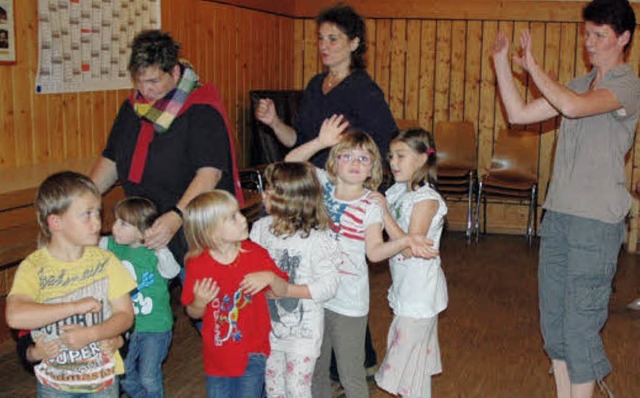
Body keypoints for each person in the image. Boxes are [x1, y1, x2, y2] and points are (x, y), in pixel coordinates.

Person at [491, 0, 640, 397]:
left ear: (624, 38)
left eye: (599, 35)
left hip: (597, 223)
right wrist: (504, 62)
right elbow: (518, 113)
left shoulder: (627, 85)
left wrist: (534, 67)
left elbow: (573, 109)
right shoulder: (575, 84)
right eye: (586, 33)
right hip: (558, 216)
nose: (589, 43)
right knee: (554, 324)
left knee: (580, 325)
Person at [286, 118, 436, 398]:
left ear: (372, 169)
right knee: (315, 367)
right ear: (334, 162)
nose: (355, 163)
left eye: (364, 159)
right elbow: (290, 163)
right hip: (315, 293)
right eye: (347, 156)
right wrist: (320, 142)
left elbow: (375, 252)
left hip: (348, 301)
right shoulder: (323, 185)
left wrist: (404, 241)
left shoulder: (372, 204)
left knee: (350, 373)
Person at [90, 29, 243, 270]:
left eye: (153, 81)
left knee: (200, 297)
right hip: (147, 223)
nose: (145, 90)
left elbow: (209, 174)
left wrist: (176, 216)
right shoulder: (133, 107)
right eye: (139, 81)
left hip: (191, 226)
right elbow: (111, 158)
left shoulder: (202, 108)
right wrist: (84, 197)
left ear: (174, 72)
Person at [5, 171, 136, 396]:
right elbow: (15, 316)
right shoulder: (34, 267)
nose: (97, 221)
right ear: (56, 222)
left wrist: (93, 334)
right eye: (86, 214)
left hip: (102, 380)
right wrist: (74, 307)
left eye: (97, 212)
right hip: (54, 385)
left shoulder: (107, 262)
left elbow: (125, 316)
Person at [180, 190, 290, 398]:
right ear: (211, 231)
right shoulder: (197, 265)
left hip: (253, 351)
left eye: (239, 213)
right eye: (232, 217)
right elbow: (193, 313)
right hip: (216, 358)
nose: (242, 220)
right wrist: (200, 302)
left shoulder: (255, 254)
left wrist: (270, 277)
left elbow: (283, 290)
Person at [250, 161, 342, 397]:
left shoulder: (318, 240)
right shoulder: (260, 229)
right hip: (268, 329)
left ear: (290, 198)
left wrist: (285, 290)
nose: (263, 194)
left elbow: (328, 286)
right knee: (273, 389)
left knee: (297, 389)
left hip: (304, 333)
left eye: (270, 190)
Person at [373, 129, 447, 398]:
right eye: (391, 156)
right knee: (414, 370)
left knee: (402, 358)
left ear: (421, 160)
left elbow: (411, 245)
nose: (393, 162)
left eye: (401, 156)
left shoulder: (426, 200)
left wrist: (382, 212)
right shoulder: (398, 191)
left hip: (420, 293)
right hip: (406, 287)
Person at [98, 197, 181, 398]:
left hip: (155, 327)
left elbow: (172, 272)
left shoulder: (155, 252)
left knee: (148, 377)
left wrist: (160, 247)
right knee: (123, 373)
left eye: (123, 223)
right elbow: (89, 241)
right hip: (127, 327)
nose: (114, 227)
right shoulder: (113, 246)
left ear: (143, 231)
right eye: (116, 220)